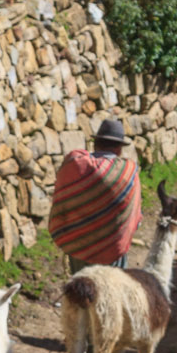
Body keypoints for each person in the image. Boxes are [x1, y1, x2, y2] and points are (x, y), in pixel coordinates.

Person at [49, 115, 142, 274]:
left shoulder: (76, 165)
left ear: (96, 144)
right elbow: (134, 216)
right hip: (113, 250)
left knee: (81, 292)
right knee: (113, 292)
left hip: (79, 247)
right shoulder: (127, 173)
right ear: (119, 148)